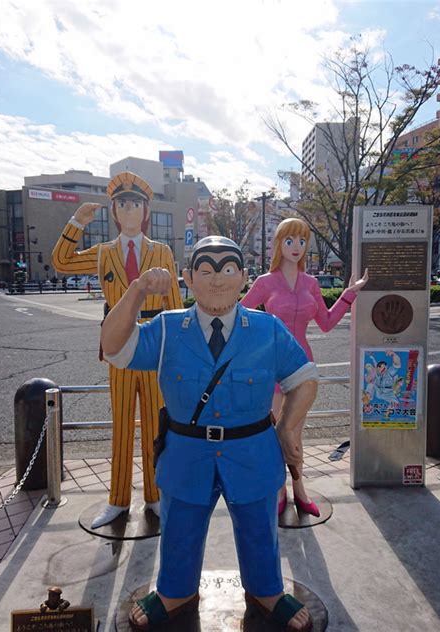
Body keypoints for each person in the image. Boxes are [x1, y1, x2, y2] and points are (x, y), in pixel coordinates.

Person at [102, 236, 318, 631]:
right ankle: (175, 589)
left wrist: (288, 429)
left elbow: (304, 378)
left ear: (244, 277)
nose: (217, 280)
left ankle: (266, 589)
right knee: (180, 525)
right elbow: (114, 347)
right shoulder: (167, 329)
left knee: (258, 526)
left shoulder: (266, 329)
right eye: (205, 271)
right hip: (187, 453)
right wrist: (136, 291)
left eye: (228, 270)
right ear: (187, 278)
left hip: (251, 450)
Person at [52, 171, 183, 528]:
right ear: (113, 211)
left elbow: (173, 303)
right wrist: (76, 222)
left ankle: (156, 496)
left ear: (145, 212)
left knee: (158, 425)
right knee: (122, 423)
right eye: (122, 203)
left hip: (154, 346)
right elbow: (62, 262)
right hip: (119, 346)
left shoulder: (162, 251)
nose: (129, 210)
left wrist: (178, 350)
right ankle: (117, 500)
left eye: (135, 204)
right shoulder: (104, 253)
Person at [241, 218, 368, 517]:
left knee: (296, 432)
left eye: (301, 241)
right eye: (289, 241)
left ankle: (300, 491)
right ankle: (278, 490)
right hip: (272, 368)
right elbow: (241, 317)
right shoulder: (264, 282)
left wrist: (350, 293)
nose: (296, 247)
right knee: (275, 432)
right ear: (278, 244)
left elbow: (326, 323)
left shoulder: (311, 283)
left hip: (303, 368)